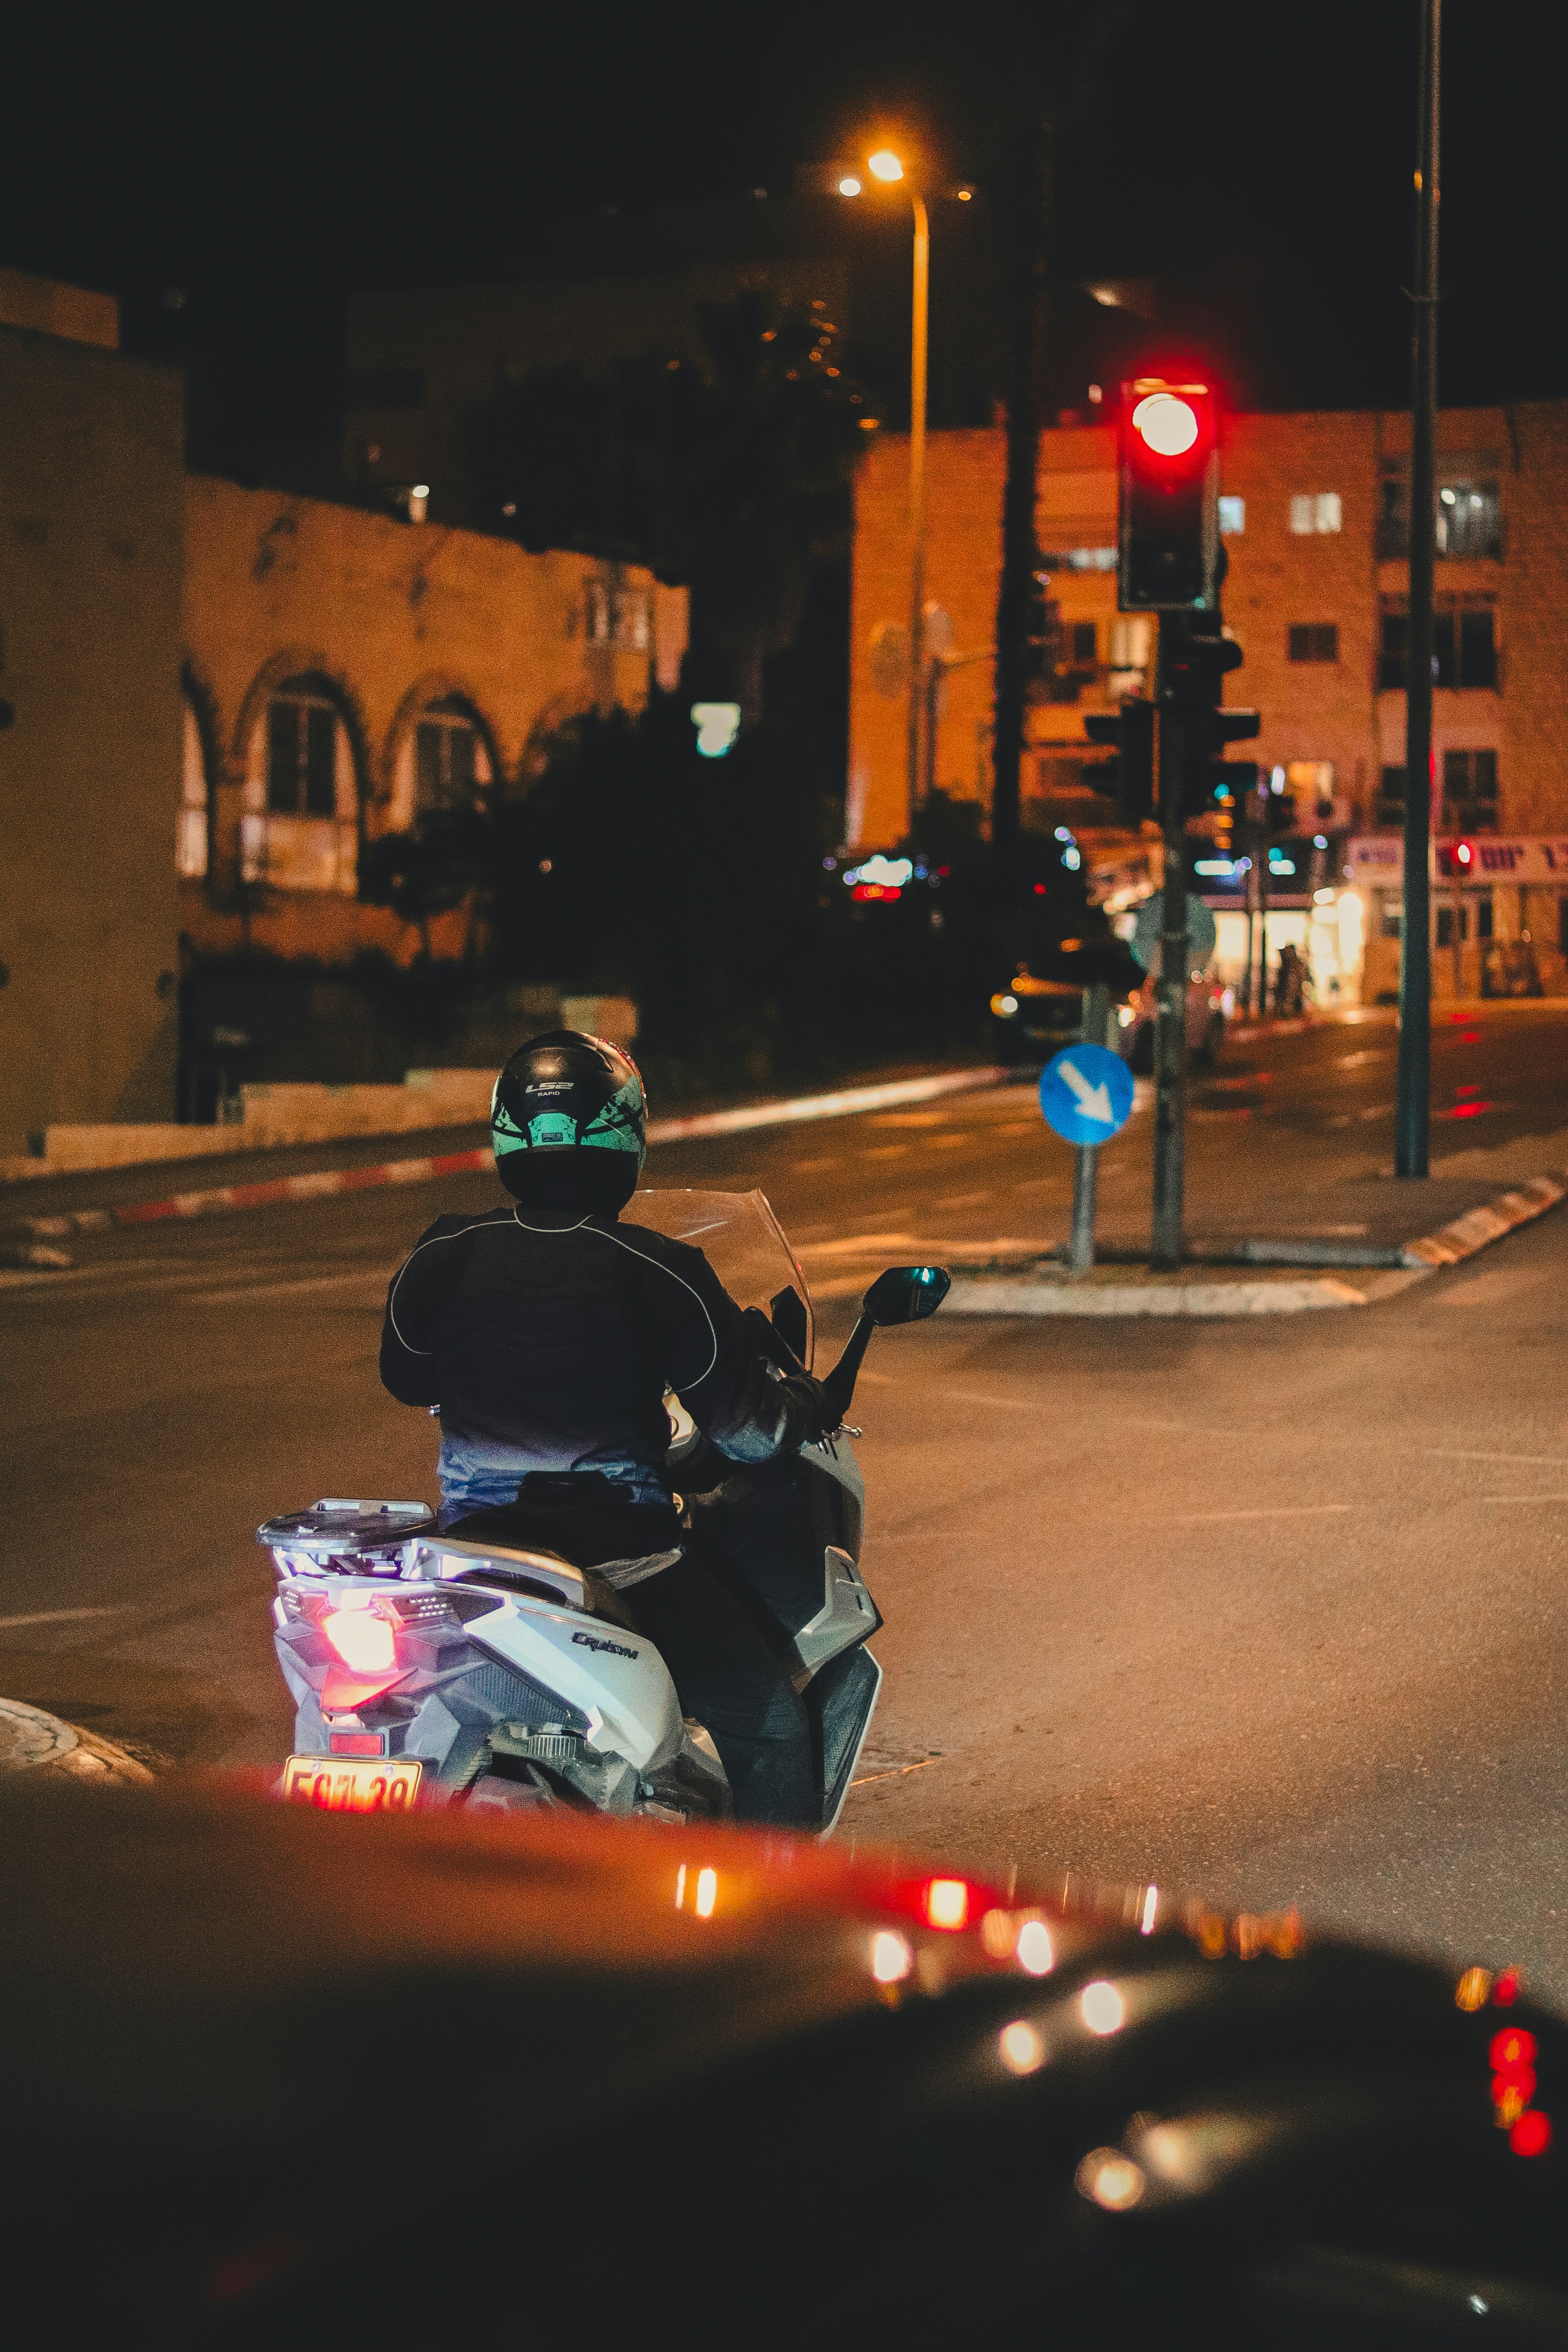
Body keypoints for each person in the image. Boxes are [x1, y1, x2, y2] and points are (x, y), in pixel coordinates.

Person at [378, 1029, 831, 1824]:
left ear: (506, 1133)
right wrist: (797, 1407)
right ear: (626, 1136)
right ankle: (771, 1921)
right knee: (769, 1730)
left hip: (475, 1558)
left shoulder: (441, 1252)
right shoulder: (660, 1269)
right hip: (623, 1563)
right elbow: (749, 1437)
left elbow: (406, 1377)